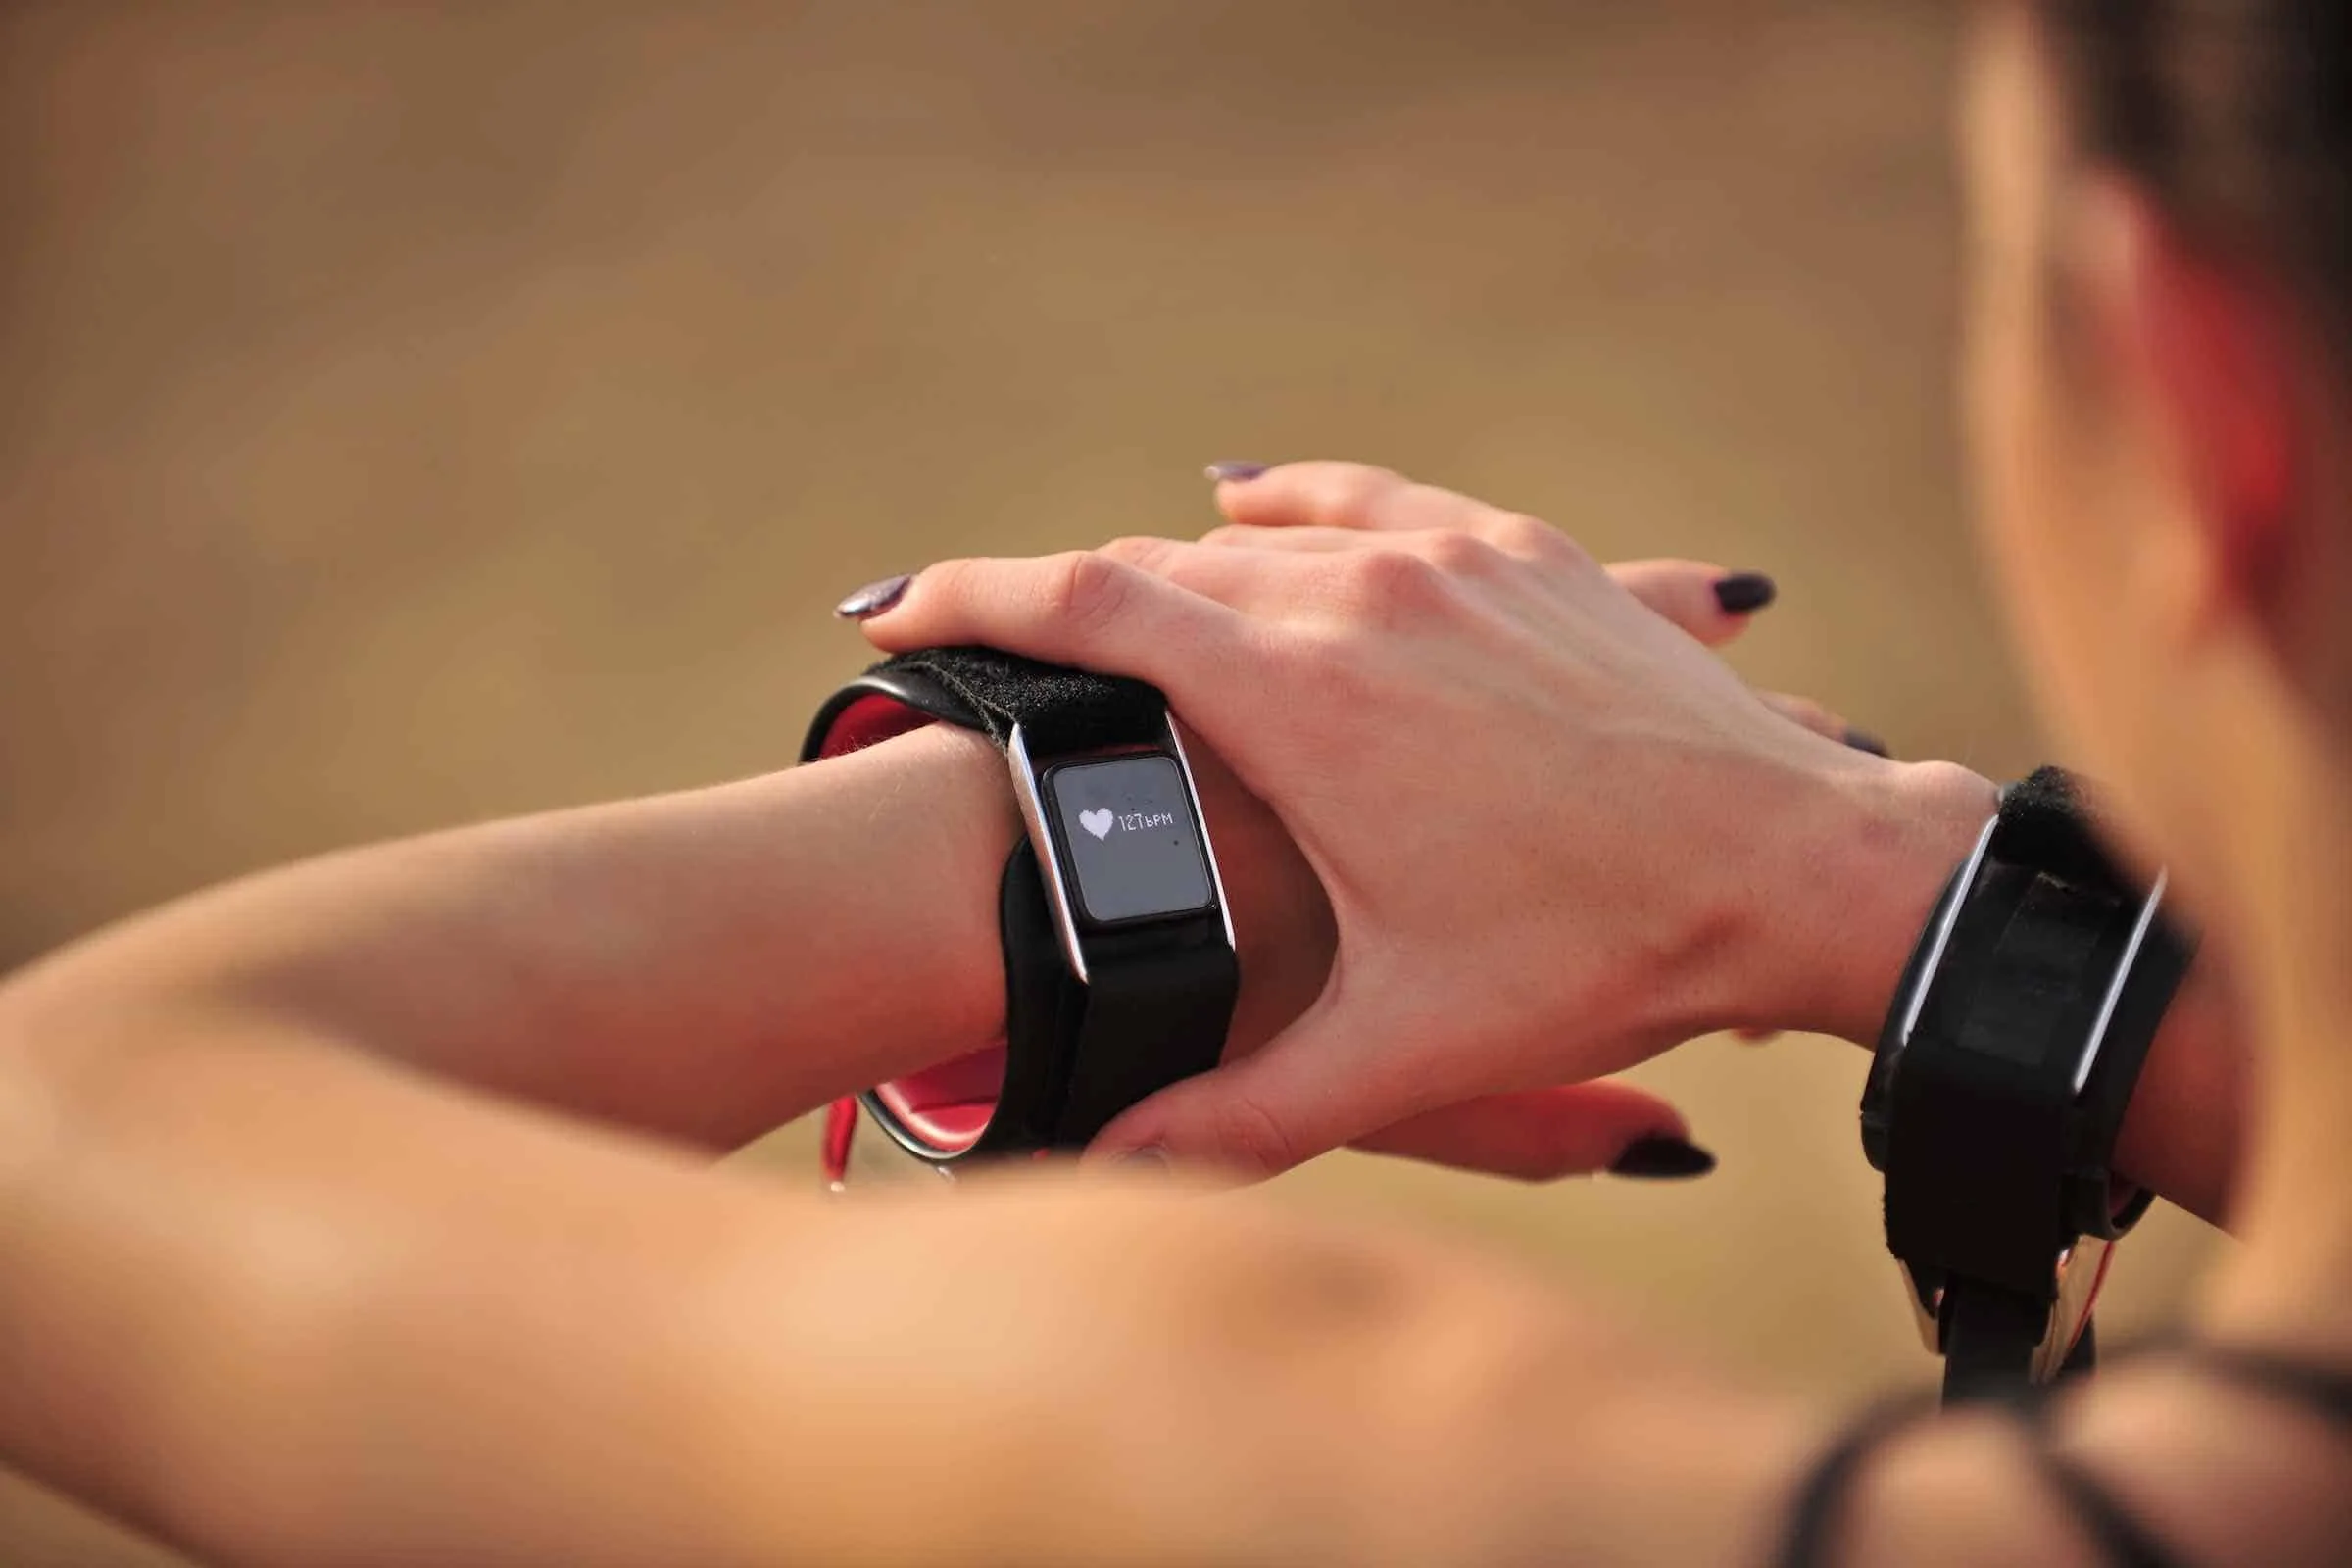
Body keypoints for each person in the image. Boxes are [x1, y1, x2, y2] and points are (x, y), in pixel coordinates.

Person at [0, 1, 2340, 1561]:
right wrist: (1890, 893)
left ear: (2196, 396)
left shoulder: (1429, 1486)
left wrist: (1067, 853)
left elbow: (66, 1125)